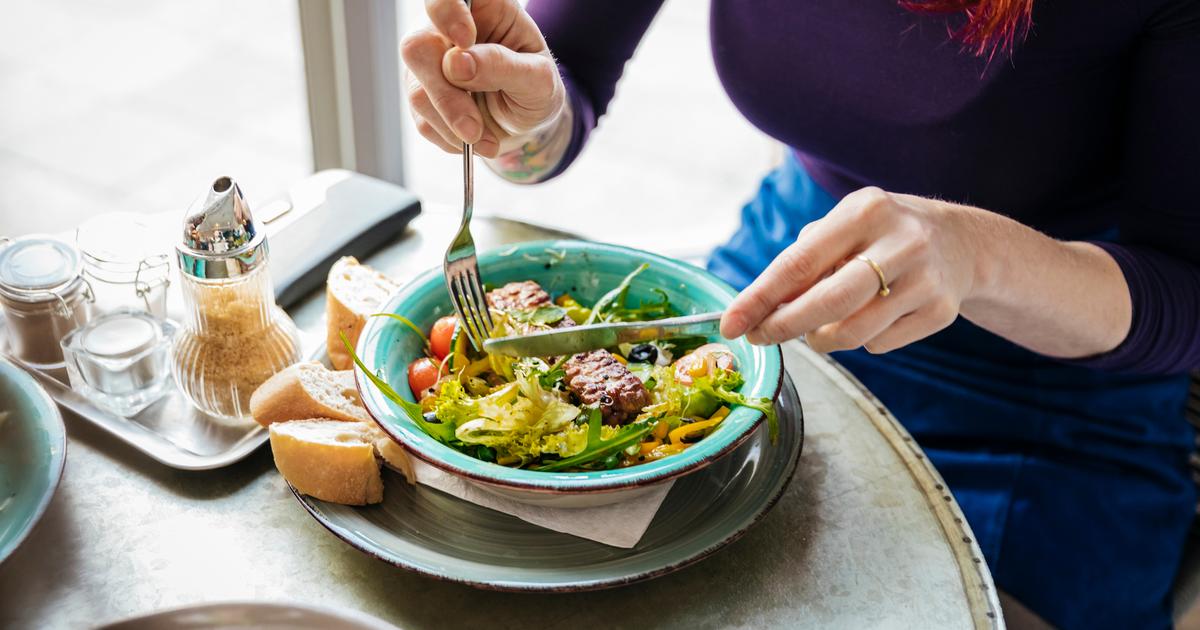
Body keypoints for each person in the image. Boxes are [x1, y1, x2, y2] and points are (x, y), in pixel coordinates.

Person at [400, 1, 1200, 627]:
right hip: (774, 283)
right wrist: (521, 121)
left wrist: (977, 255)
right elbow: (563, 87)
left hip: (1046, 385)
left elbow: (1186, 292)